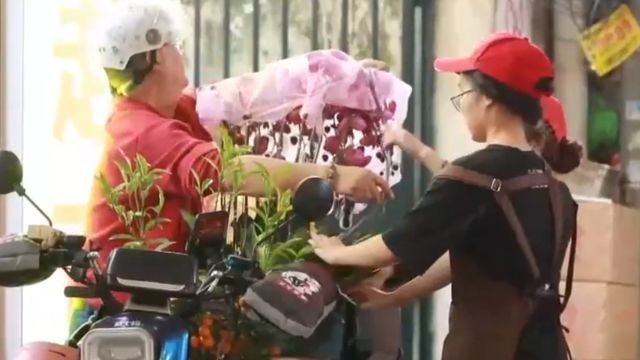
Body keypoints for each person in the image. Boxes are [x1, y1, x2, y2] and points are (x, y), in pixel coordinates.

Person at [68, 0, 392, 332]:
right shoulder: (142, 131)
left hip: (151, 303)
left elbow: (250, 97)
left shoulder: (168, 112)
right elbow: (229, 174)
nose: (182, 53)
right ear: (157, 57)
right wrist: (332, 175)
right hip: (115, 314)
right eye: (174, 45)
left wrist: (341, 83)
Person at [310, 32, 579, 360]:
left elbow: (398, 242)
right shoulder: (553, 189)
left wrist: (337, 253)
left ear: (487, 96)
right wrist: (394, 297)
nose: (462, 104)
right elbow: (470, 260)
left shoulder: (474, 176)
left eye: (463, 92)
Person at [353, 95, 582, 309]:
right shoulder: (554, 195)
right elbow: (462, 185)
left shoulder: (514, 187)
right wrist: (397, 294)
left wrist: (335, 254)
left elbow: (463, 184)